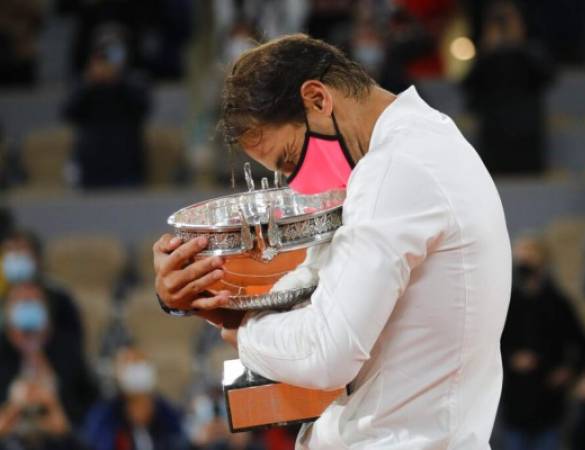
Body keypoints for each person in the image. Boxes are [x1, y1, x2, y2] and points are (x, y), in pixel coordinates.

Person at [153, 34, 512, 449]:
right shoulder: (412, 152)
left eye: (290, 159)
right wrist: (199, 292)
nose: (297, 182)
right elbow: (313, 294)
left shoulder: (396, 171)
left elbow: (327, 353)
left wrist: (245, 335)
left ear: (318, 100)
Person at [500, 235, 585, 450]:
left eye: (529, 256)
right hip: (516, 402)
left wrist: (569, 372)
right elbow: (492, 343)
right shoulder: (508, 302)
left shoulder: (558, 303)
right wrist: (512, 358)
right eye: (519, 256)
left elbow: (582, 341)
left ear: (542, 260)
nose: (523, 262)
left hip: (549, 402)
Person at [462, 0, 555, 175]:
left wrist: (518, 43)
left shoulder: (529, 52)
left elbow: (547, 76)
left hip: (527, 132)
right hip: (494, 132)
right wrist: (487, 50)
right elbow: (468, 85)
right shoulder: (487, 57)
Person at [0, 283, 97, 447]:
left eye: (33, 302)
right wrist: (12, 411)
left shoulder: (69, 356)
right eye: (21, 302)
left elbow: (93, 426)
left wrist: (61, 422)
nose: (27, 308)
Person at [63, 26, 151, 189]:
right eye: (103, 53)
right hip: (92, 163)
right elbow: (68, 112)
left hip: (126, 163)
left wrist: (118, 80)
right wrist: (89, 82)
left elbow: (143, 108)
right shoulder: (86, 83)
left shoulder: (135, 80)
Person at [83, 346, 186, 450]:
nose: (141, 408)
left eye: (145, 400)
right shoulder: (105, 417)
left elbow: (180, 434)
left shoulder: (164, 414)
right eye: (136, 402)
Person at [1, 229, 83, 346]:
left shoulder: (60, 298)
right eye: (9, 250)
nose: (14, 257)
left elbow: (73, 343)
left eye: (20, 250)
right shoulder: (2, 297)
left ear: (37, 257)